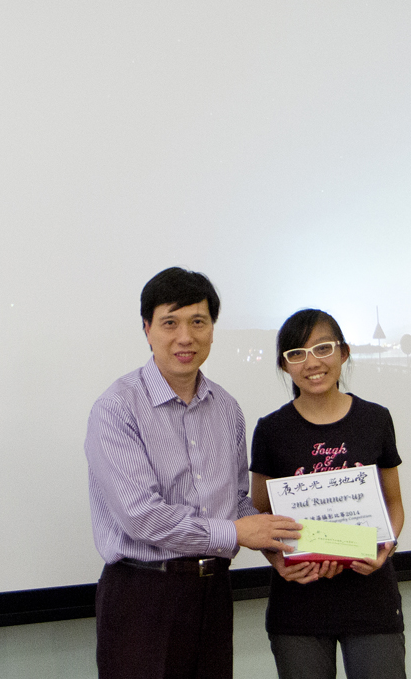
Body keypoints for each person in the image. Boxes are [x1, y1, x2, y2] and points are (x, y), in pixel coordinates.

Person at [85, 267, 303, 679]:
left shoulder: (227, 409)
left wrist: (282, 546)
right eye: (170, 323)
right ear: (147, 329)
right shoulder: (117, 408)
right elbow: (141, 516)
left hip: (213, 593)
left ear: (212, 330)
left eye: (198, 322)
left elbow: (236, 500)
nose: (185, 337)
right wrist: (237, 533)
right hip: (143, 595)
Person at [250, 309, 406, 679]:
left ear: (343, 353)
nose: (312, 363)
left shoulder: (375, 419)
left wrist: (385, 549)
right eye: (297, 354)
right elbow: (259, 515)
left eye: (323, 348)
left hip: (370, 601)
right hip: (299, 606)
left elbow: (394, 504)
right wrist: (278, 561)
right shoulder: (271, 430)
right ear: (284, 365)